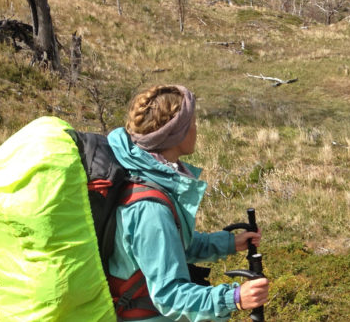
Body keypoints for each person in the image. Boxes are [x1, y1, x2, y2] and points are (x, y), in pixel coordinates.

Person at [106, 84, 269, 321]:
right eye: (192, 123)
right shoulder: (150, 208)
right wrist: (233, 298)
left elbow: (171, 248)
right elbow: (169, 295)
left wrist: (228, 243)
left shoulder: (148, 177)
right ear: (176, 134)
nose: (196, 129)